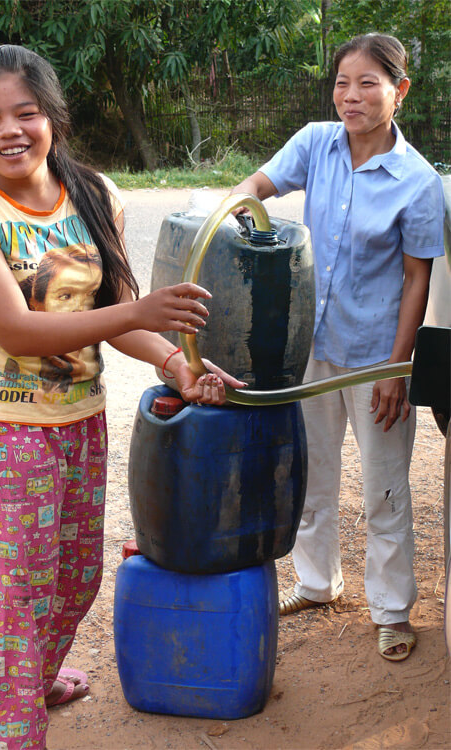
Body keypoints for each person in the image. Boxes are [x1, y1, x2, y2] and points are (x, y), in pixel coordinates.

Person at [0, 44, 243, 750]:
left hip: (80, 424)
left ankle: (37, 678)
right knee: (15, 604)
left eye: (26, 113)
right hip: (5, 435)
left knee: (75, 581)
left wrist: (174, 364)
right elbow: (18, 328)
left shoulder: (97, 194)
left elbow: (121, 308)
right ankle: (16, 733)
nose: (10, 131)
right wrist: (139, 317)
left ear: (53, 118)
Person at [232, 33, 444, 662]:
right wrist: (243, 216)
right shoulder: (316, 143)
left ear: (399, 91)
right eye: (342, 83)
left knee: (384, 489)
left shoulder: (418, 182)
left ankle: (391, 610)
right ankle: (317, 582)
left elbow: (416, 279)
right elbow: (256, 187)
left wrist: (396, 368)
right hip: (312, 350)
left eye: (368, 83)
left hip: (377, 355)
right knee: (310, 477)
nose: (351, 97)